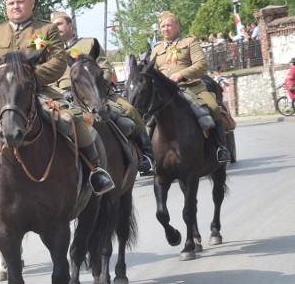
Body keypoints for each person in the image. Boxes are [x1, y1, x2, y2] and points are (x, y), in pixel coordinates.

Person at [0, 0, 115, 222]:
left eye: (20, 1)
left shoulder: (46, 30)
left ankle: (96, 172)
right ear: (6, 6)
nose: (16, 6)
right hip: (4, 99)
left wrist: (29, 78)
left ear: (31, 3)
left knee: (74, 120)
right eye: (11, 3)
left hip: (40, 91)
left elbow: (58, 62)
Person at [50, 11, 155, 175]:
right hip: (65, 97)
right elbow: (48, 79)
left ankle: (147, 156)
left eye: (59, 24)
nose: (56, 29)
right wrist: (60, 92)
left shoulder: (89, 43)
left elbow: (105, 67)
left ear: (70, 25)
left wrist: (99, 85)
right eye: (53, 26)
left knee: (130, 110)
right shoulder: (50, 52)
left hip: (96, 92)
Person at [148, 11, 230, 162]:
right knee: (148, 116)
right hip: (166, 93)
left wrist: (182, 74)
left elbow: (202, 64)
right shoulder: (157, 48)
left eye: (169, 25)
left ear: (177, 26)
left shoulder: (189, 42)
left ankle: (221, 147)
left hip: (191, 87)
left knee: (213, 107)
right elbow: (151, 70)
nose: (166, 29)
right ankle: (148, 155)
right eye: (163, 26)